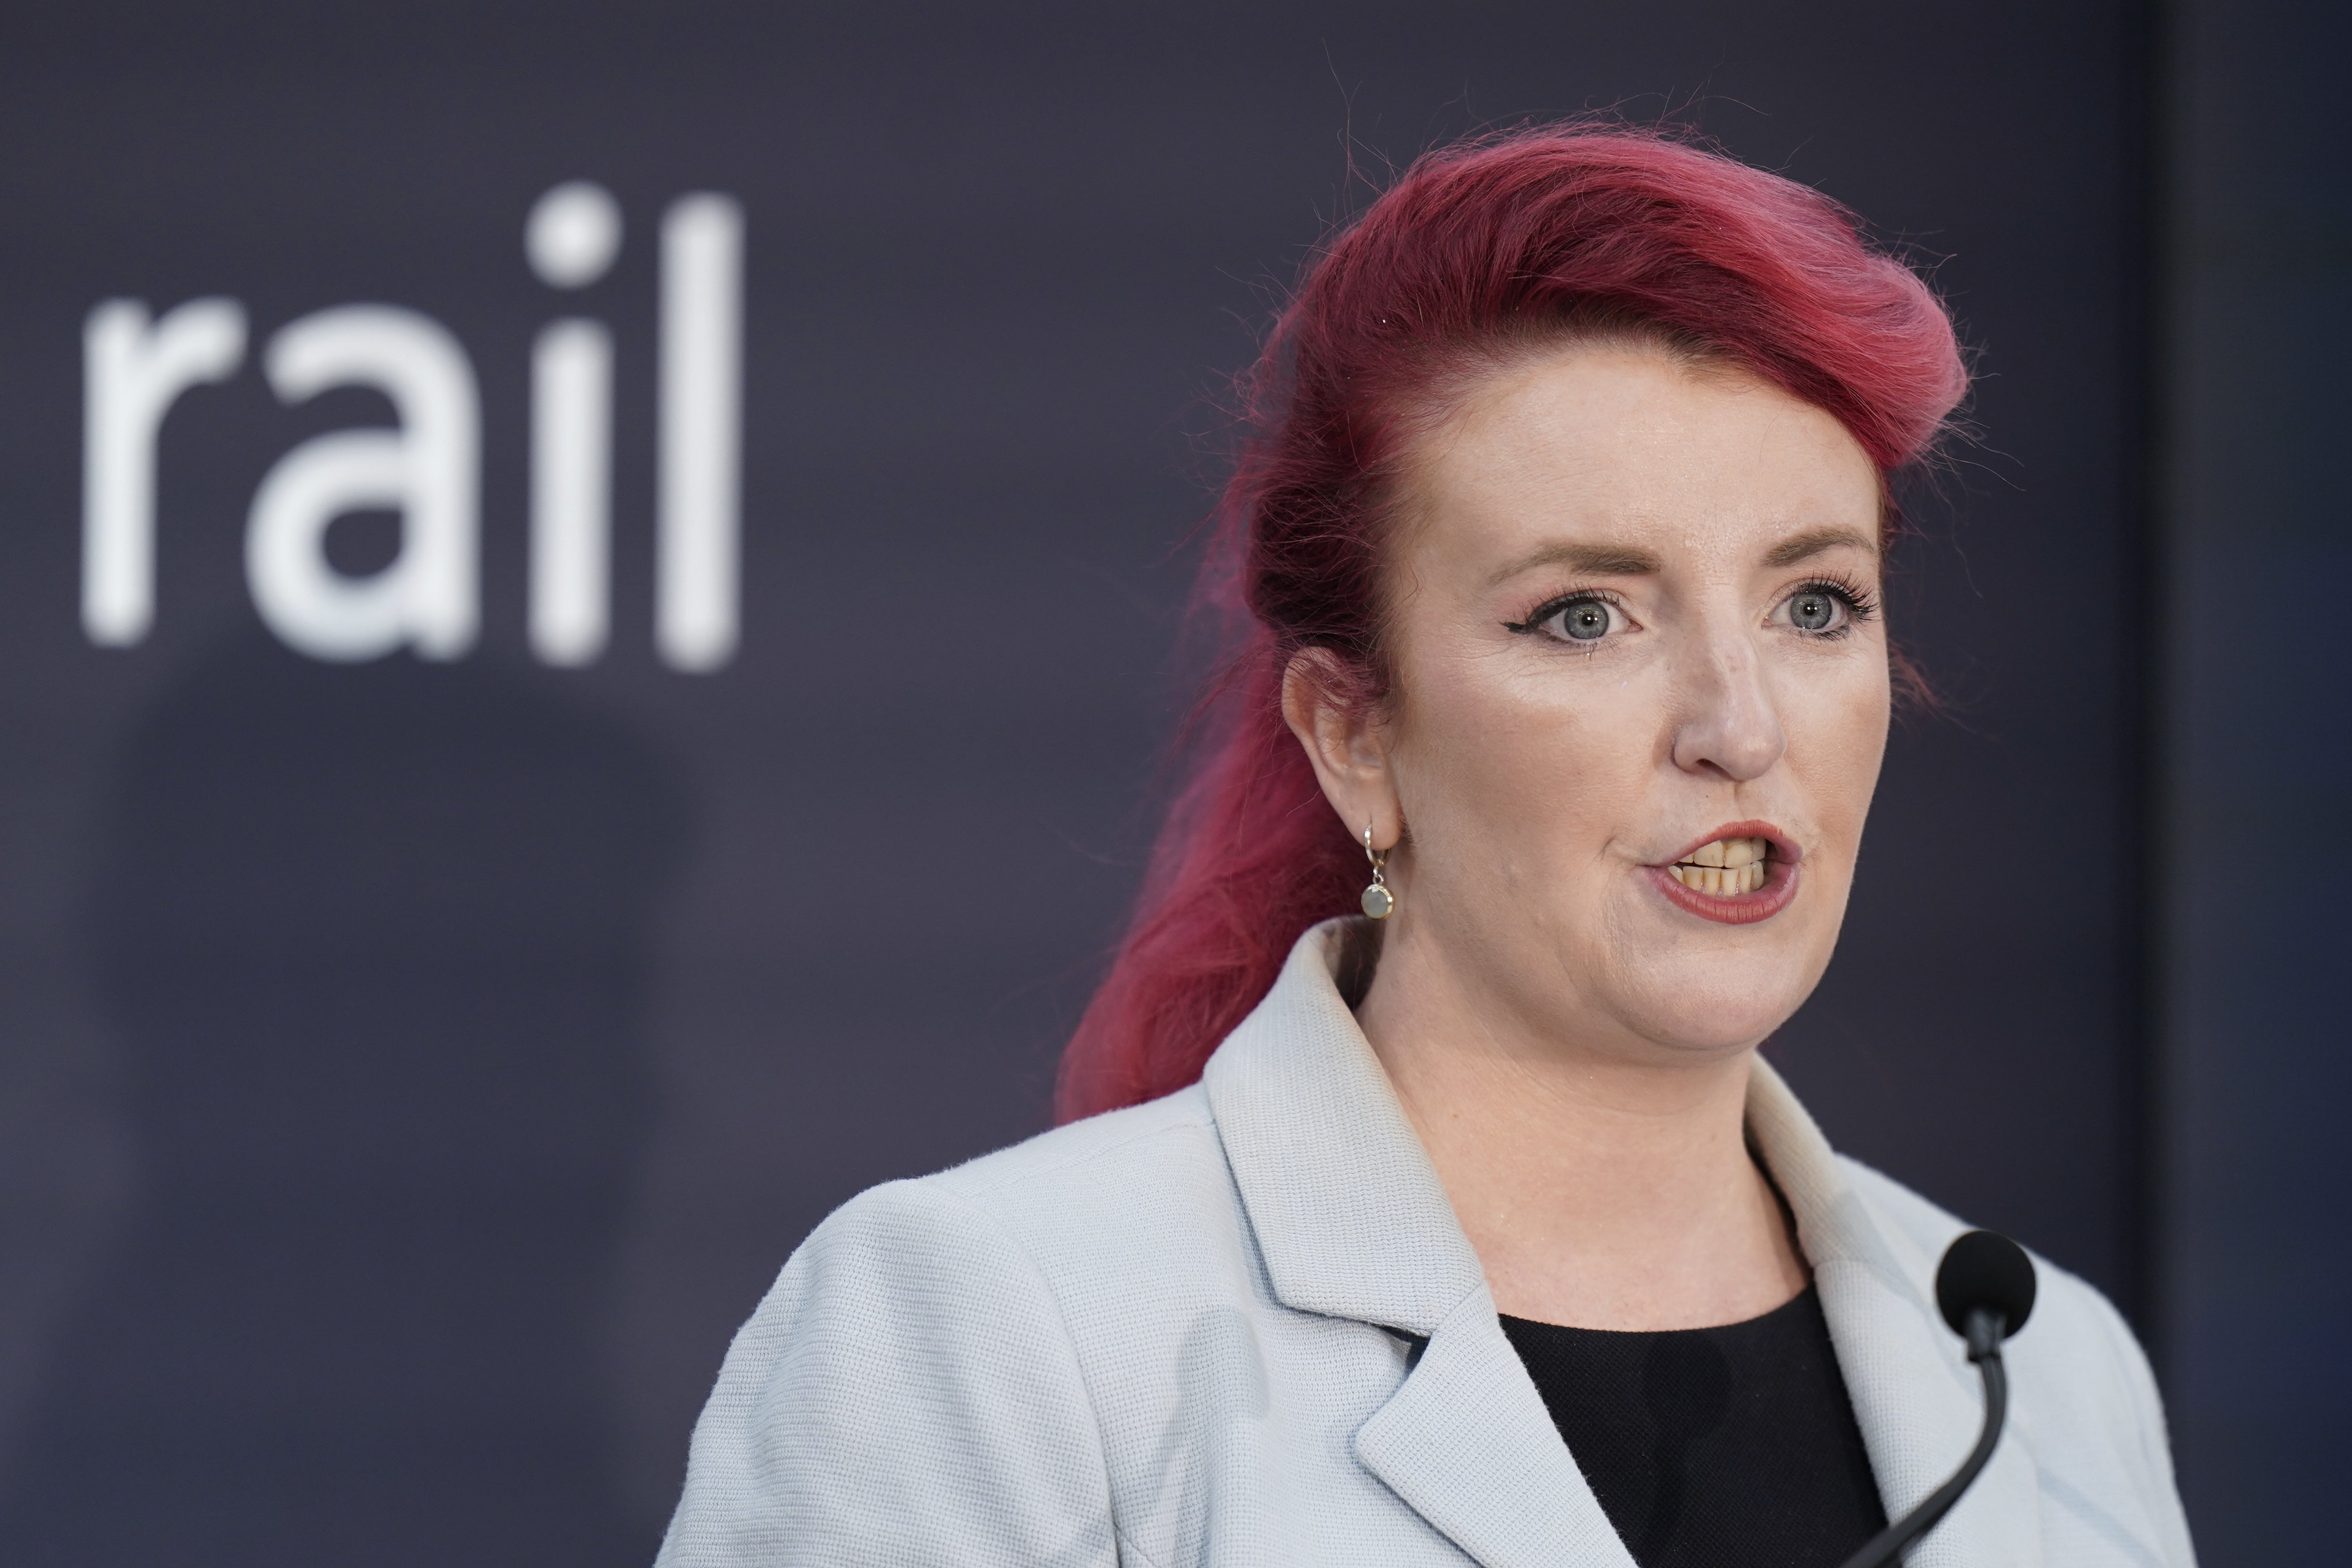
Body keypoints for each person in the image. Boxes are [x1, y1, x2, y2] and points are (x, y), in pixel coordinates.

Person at [656, 126, 2195, 1568]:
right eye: (1585, 616)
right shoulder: (997, 1329)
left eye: (1815, 605)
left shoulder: (2050, 1374)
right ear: (1354, 733)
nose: (1740, 724)